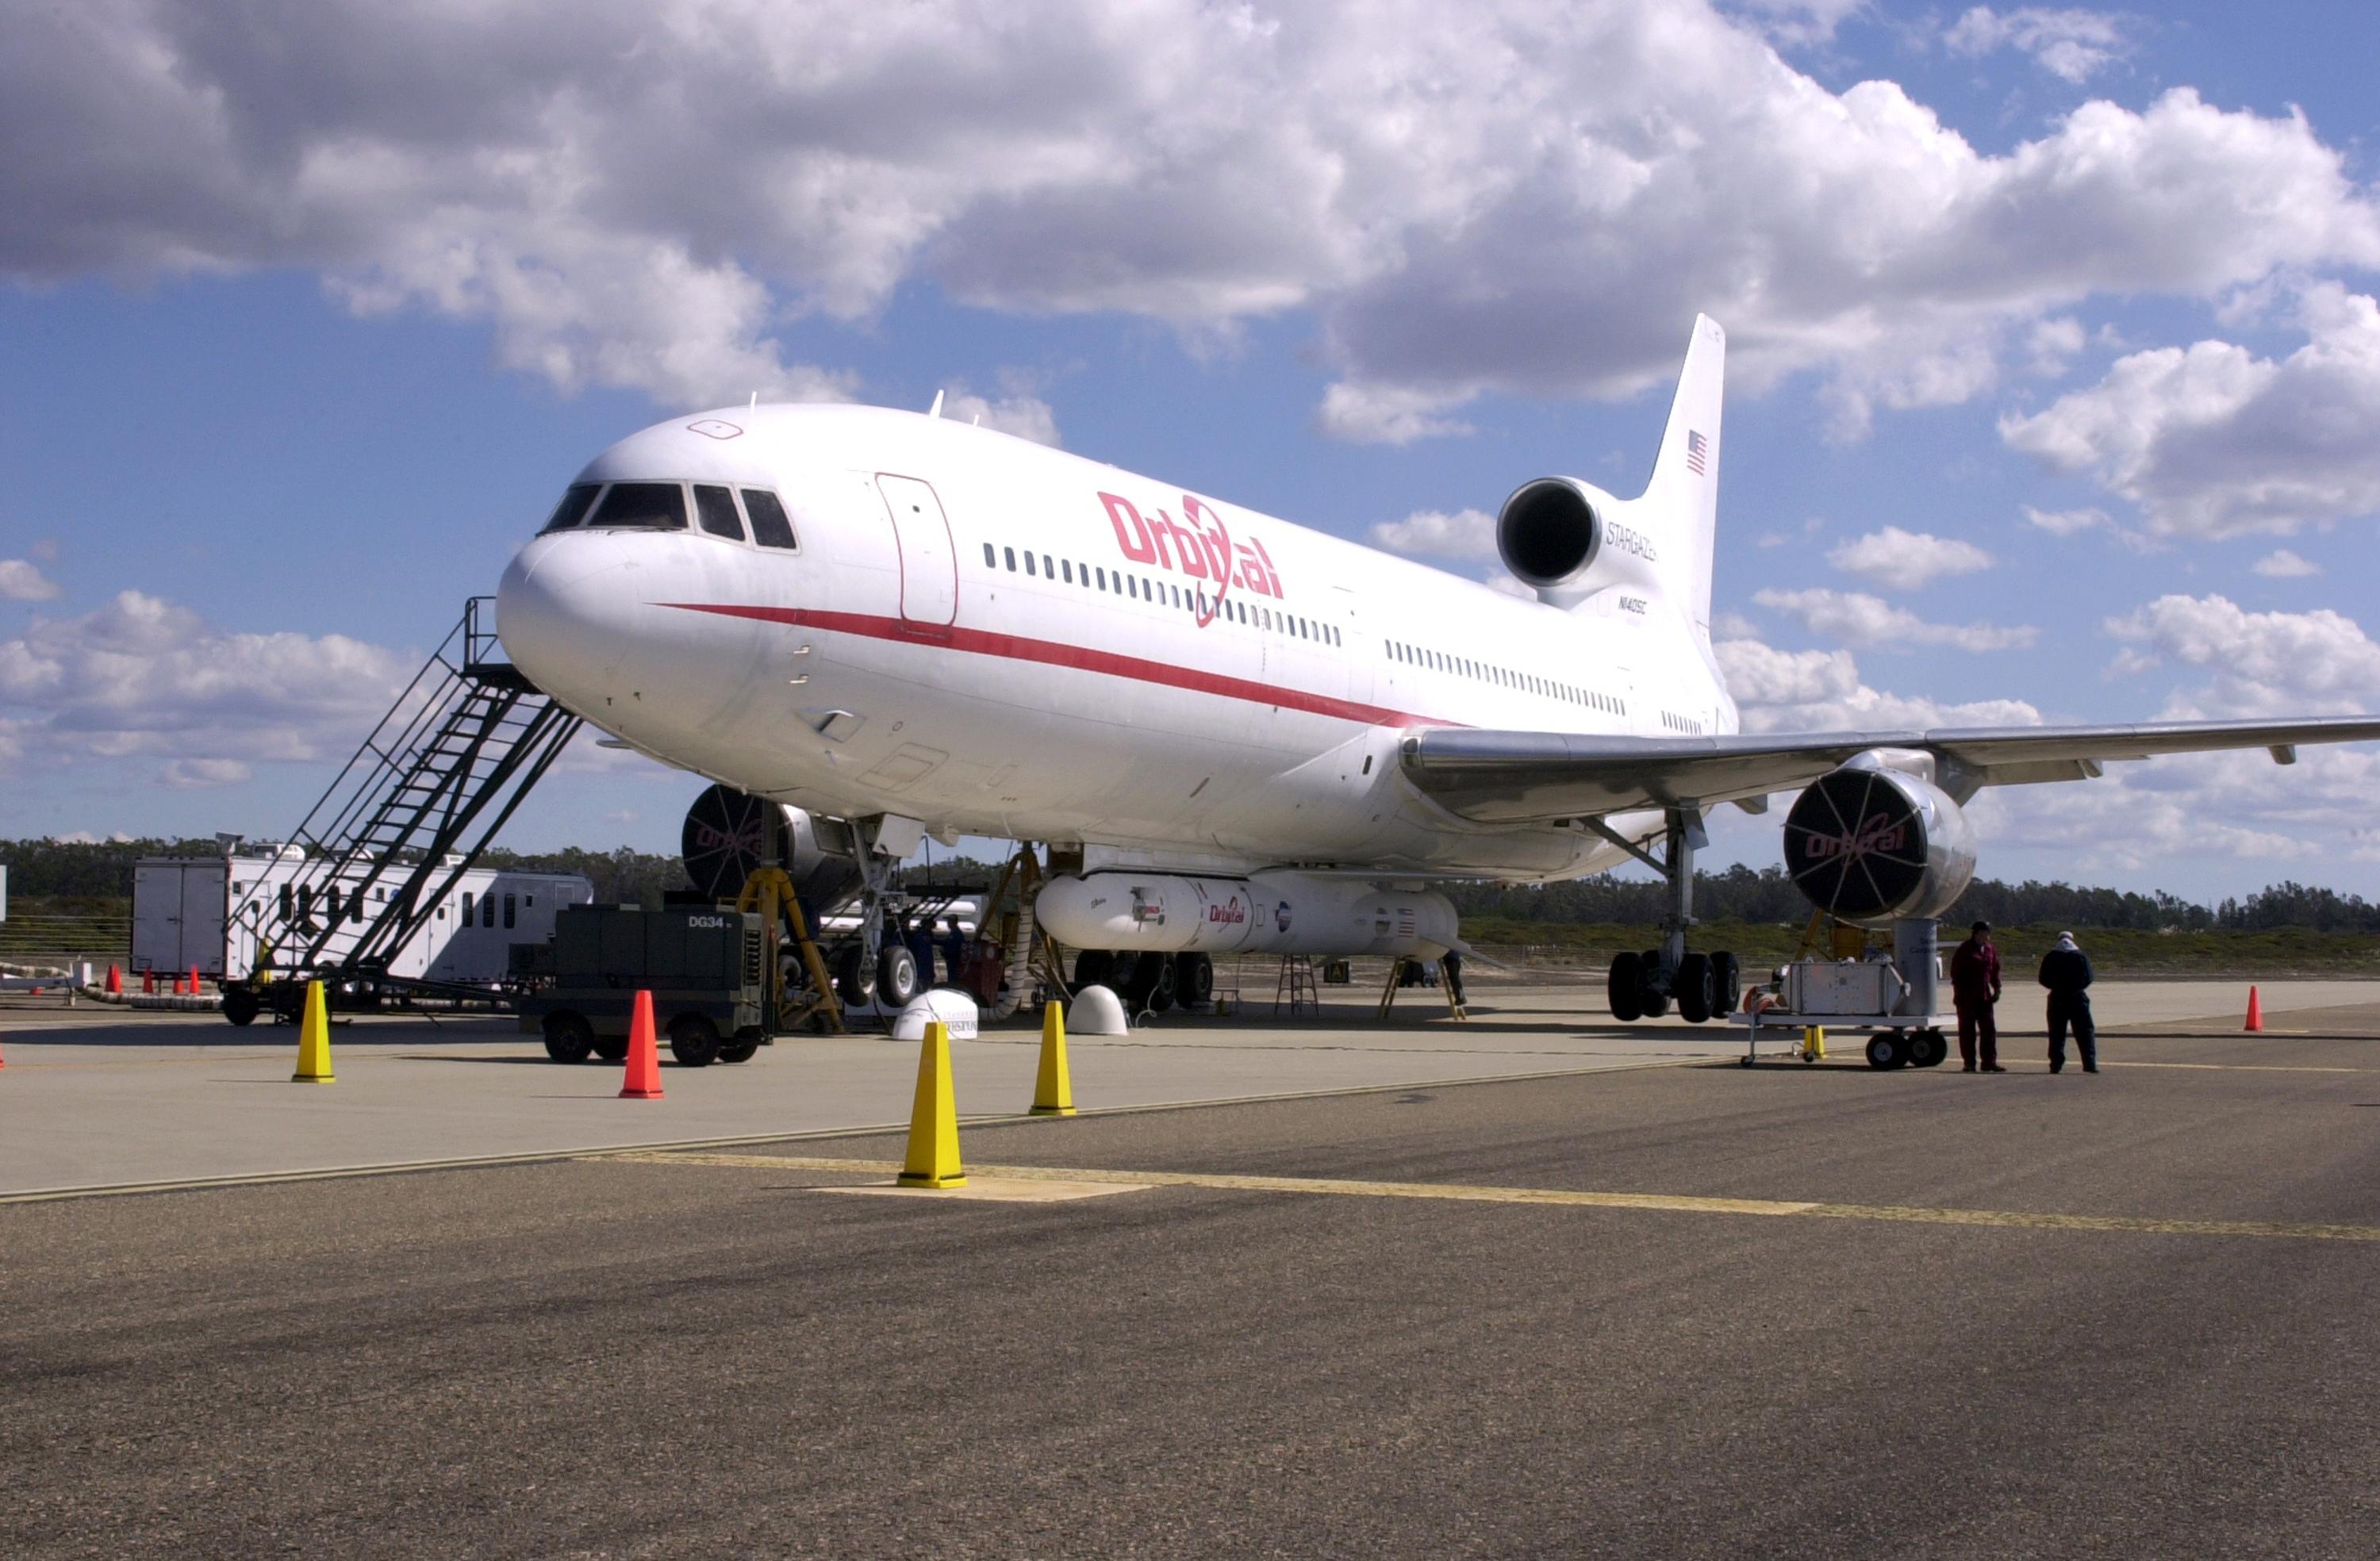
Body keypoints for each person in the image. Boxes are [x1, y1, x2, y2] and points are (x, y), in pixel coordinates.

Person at [2038, 930, 2098, 1073]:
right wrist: (2077, 987)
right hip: (2077, 998)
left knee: (2056, 1033)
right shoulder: (2080, 956)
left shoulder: (2051, 956)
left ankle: (2055, 1065)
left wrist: (2056, 987)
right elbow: (2089, 976)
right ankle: (2089, 1064)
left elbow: (2042, 978)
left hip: (2057, 998)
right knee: (2085, 1032)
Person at [1948, 919, 2003, 1072]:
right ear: (1977, 933)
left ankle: (1989, 1062)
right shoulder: (1965, 949)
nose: (1988, 935)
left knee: (1989, 1031)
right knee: (1967, 1032)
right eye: (1986, 932)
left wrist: (1997, 989)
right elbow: (1955, 973)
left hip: (1985, 998)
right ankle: (1969, 1063)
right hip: (1966, 998)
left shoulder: (1990, 950)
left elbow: (1995, 971)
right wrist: (1960, 992)